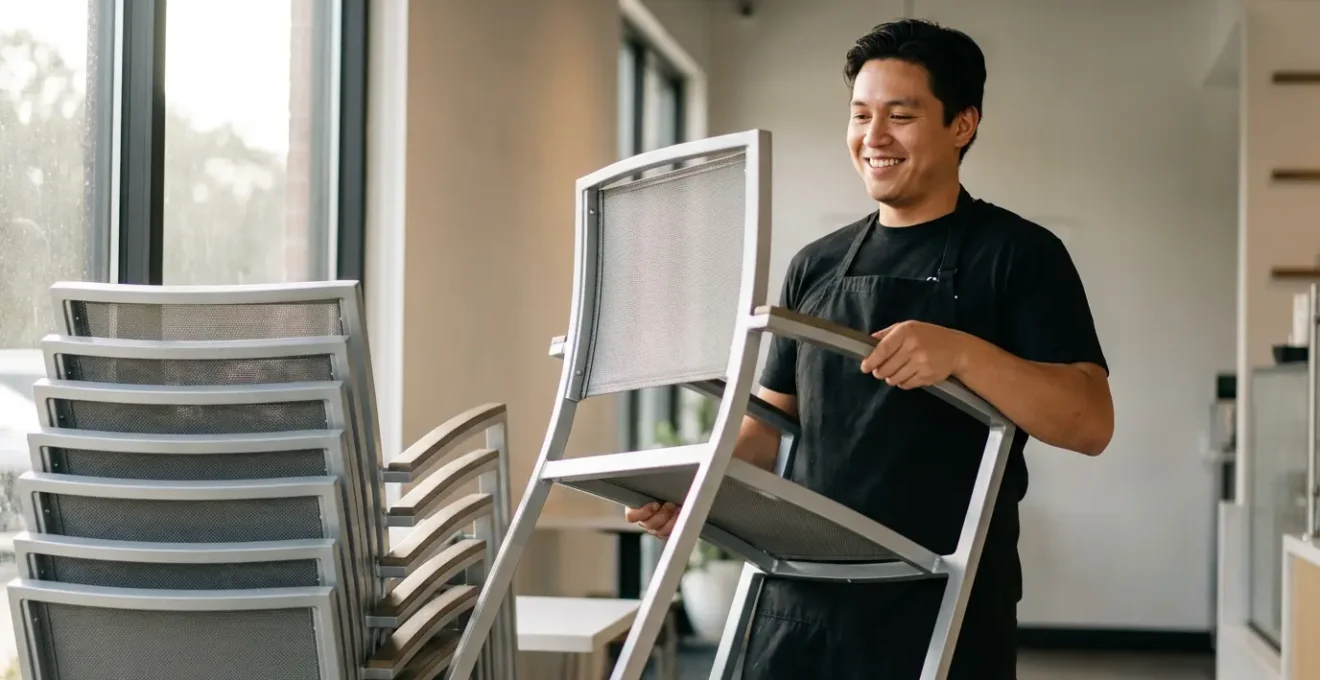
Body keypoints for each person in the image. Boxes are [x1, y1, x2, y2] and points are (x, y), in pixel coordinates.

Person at [625, 17, 1113, 680]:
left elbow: (1090, 422)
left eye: (900, 116)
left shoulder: (1020, 256)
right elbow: (767, 429)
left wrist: (965, 354)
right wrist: (696, 493)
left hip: (944, 597)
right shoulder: (815, 265)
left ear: (962, 125)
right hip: (805, 589)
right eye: (860, 115)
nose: (873, 138)